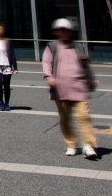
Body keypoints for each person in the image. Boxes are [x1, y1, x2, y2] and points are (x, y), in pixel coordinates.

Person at [43, 18, 99, 160]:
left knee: (84, 117)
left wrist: (91, 79)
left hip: (79, 87)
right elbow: (46, 62)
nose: (64, 33)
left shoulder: (78, 46)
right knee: (65, 118)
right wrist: (49, 76)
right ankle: (71, 145)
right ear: (56, 32)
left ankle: (87, 145)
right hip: (60, 89)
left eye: (66, 30)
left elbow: (85, 65)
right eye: (61, 30)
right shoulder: (52, 46)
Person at [0, 23, 18, 111]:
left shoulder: (8, 41)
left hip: (7, 65)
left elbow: (12, 54)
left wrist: (15, 67)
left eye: (1, 29)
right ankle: (1, 101)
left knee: (6, 86)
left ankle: (7, 103)